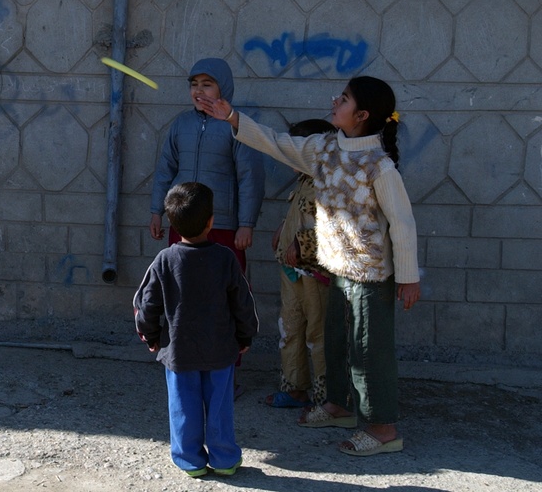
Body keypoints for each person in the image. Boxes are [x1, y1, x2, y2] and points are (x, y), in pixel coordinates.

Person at [204, 76, 421, 457]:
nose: (335, 100)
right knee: (336, 342)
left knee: (369, 352)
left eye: (345, 98)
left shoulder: (379, 166)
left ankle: (384, 428)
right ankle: (338, 406)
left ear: (363, 115)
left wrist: (407, 278)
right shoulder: (324, 148)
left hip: (370, 277)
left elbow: (402, 223)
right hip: (336, 271)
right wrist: (232, 117)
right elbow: (278, 144)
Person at [134, 182, 259, 478]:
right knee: (220, 408)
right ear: (211, 221)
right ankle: (225, 458)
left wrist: (151, 338)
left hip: (180, 354)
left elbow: (146, 305)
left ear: (171, 224)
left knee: (183, 408)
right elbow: (243, 303)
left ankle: (190, 460)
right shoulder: (226, 258)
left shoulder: (164, 261)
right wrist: (245, 337)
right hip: (220, 351)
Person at [149, 58, 264, 273]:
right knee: (182, 282)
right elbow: (166, 169)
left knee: (224, 288)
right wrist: (157, 211)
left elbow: (250, 177)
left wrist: (246, 224)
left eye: (207, 84)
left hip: (222, 226)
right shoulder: (181, 124)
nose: (199, 91)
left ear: (224, 88)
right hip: (182, 223)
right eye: (194, 84)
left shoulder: (236, 126)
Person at [264, 118, 335, 410]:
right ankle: (295, 388)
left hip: (317, 274)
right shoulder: (304, 181)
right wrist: (284, 228)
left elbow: (333, 230)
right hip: (291, 271)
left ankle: (326, 397)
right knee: (290, 329)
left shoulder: (331, 184)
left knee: (318, 334)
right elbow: (300, 214)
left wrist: (301, 244)